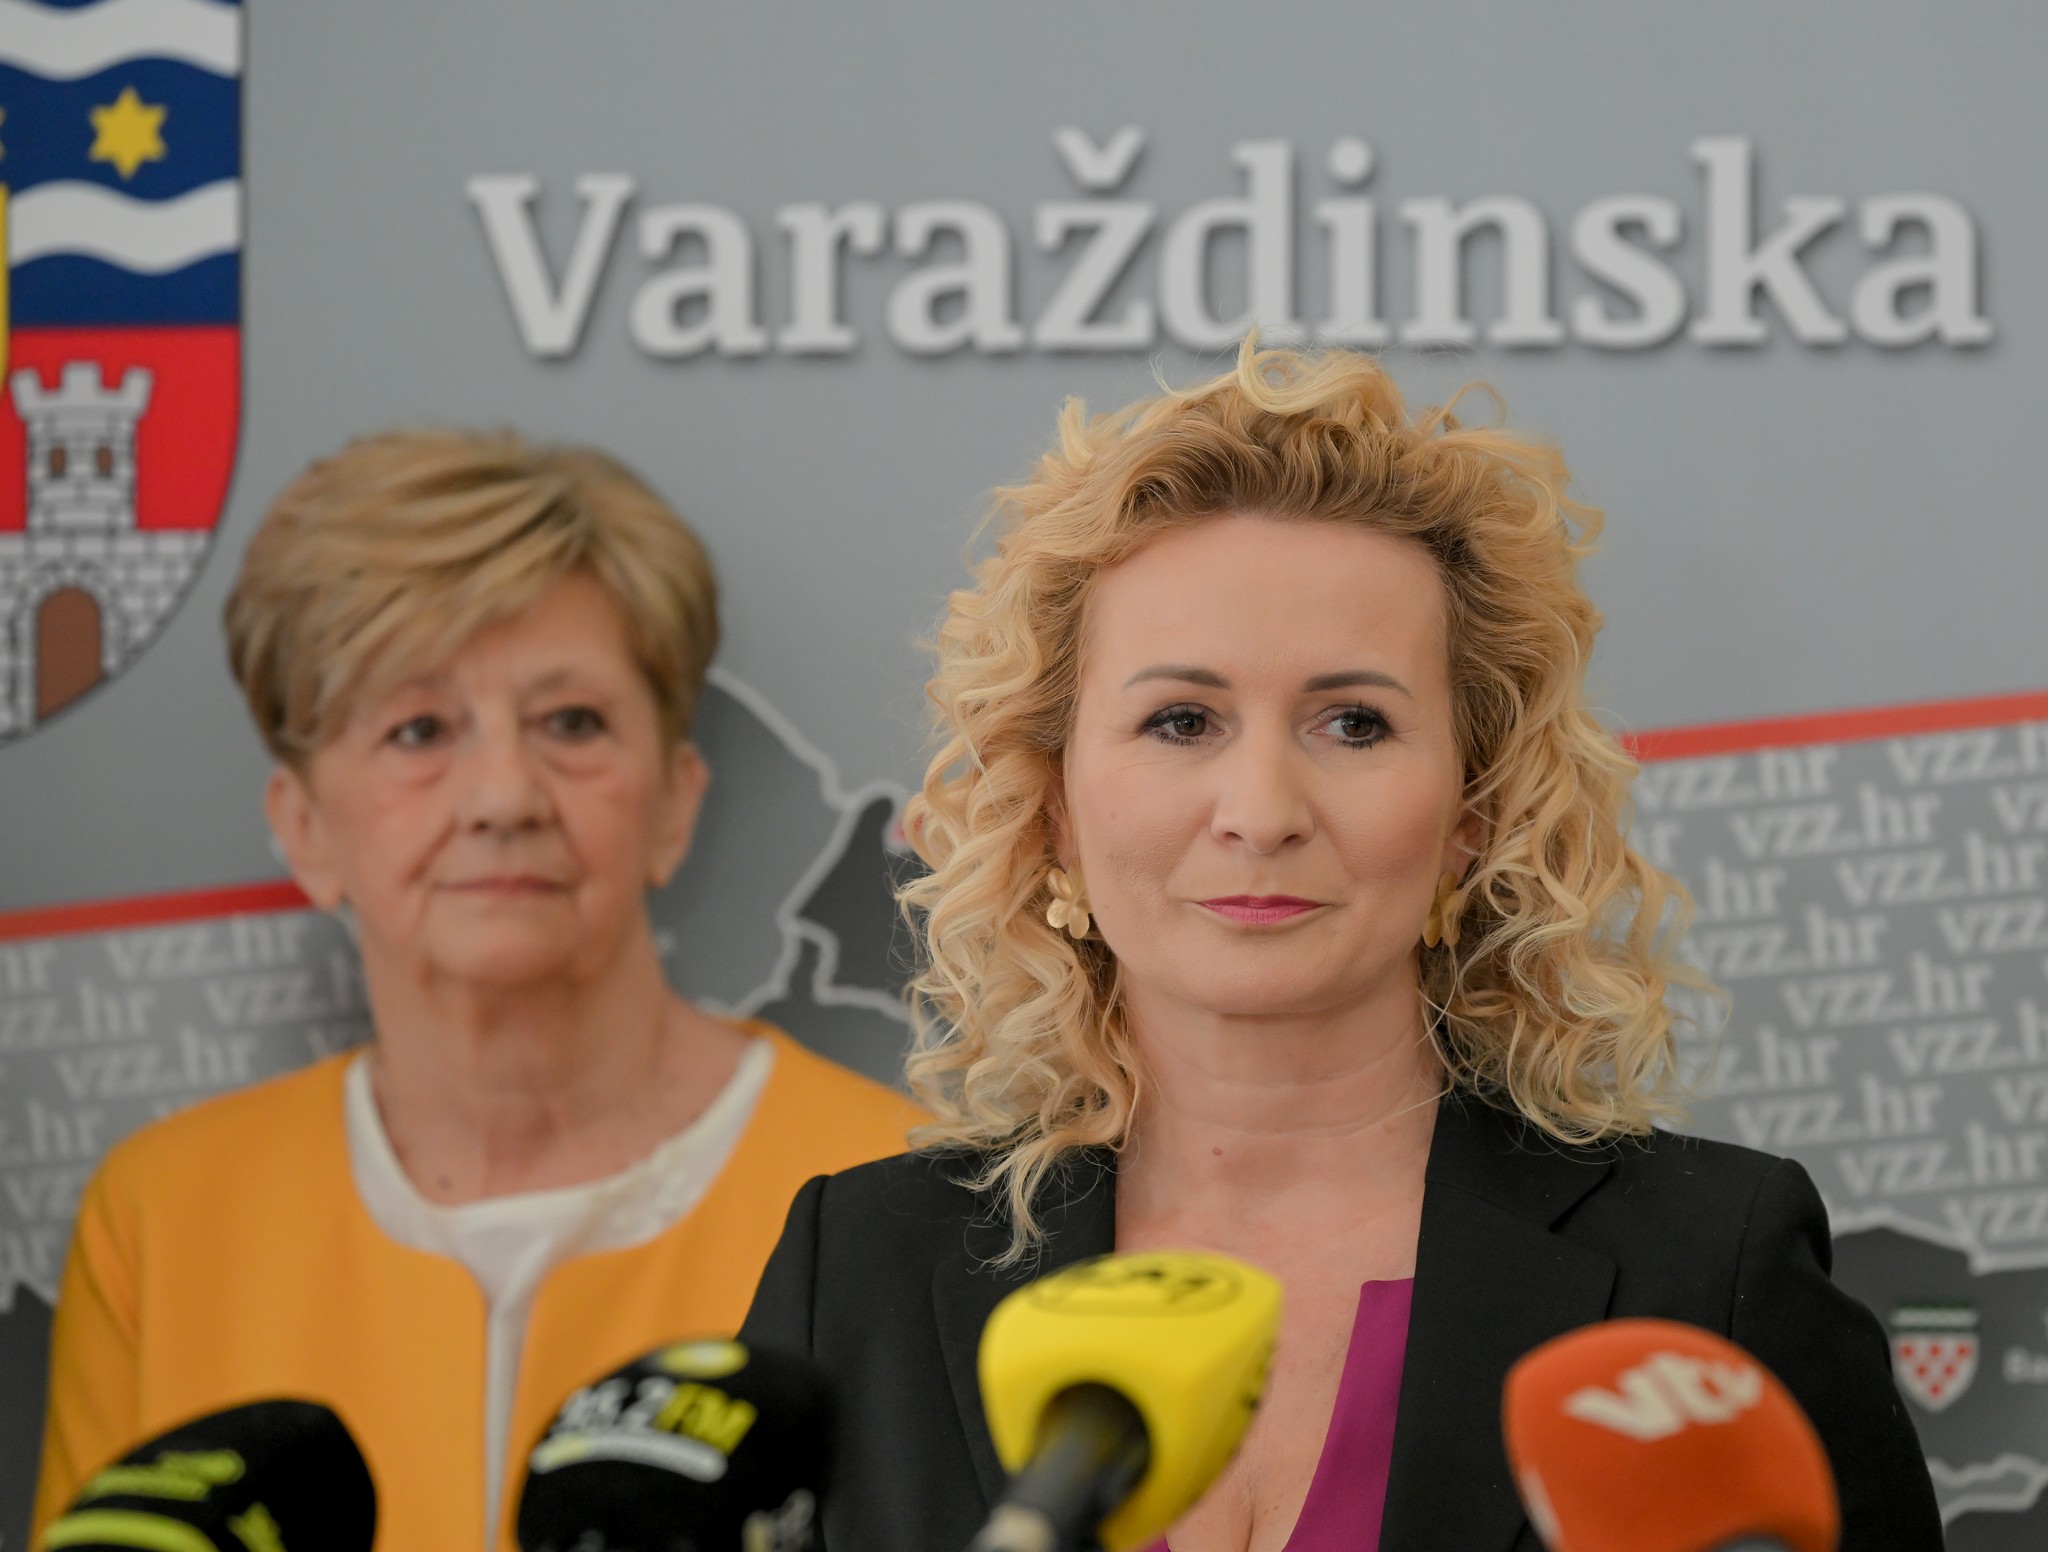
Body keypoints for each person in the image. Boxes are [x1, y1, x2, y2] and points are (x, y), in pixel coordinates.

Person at [741, 343, 1942, 1552]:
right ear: (1051, 805)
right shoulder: (859, 1271)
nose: (1260, 811)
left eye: (1353, 723)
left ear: (1472, 814)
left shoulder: (1708, 1267)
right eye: (1180, 720)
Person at [33, 430, 921, 1551]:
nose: (504, 794)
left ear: (674, 799)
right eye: (418, 730)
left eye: (571, 723)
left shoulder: (901, 1189)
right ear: (303, 827)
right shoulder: (164, 1220)